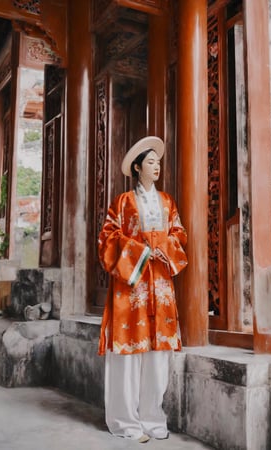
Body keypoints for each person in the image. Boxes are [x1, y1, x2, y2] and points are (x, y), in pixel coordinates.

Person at [98, 136, 188, 443]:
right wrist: (141, 250)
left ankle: (152, 417)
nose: (157, 167)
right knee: (127, 355)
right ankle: (126, 422)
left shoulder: (167, 202)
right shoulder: (122, 203)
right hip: (130, 286)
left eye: (158, 163)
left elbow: (179, 233)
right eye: (150, 163)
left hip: (160, 283)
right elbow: (107, 239)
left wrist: (163, 246)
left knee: (157, 354)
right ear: (137, 168)